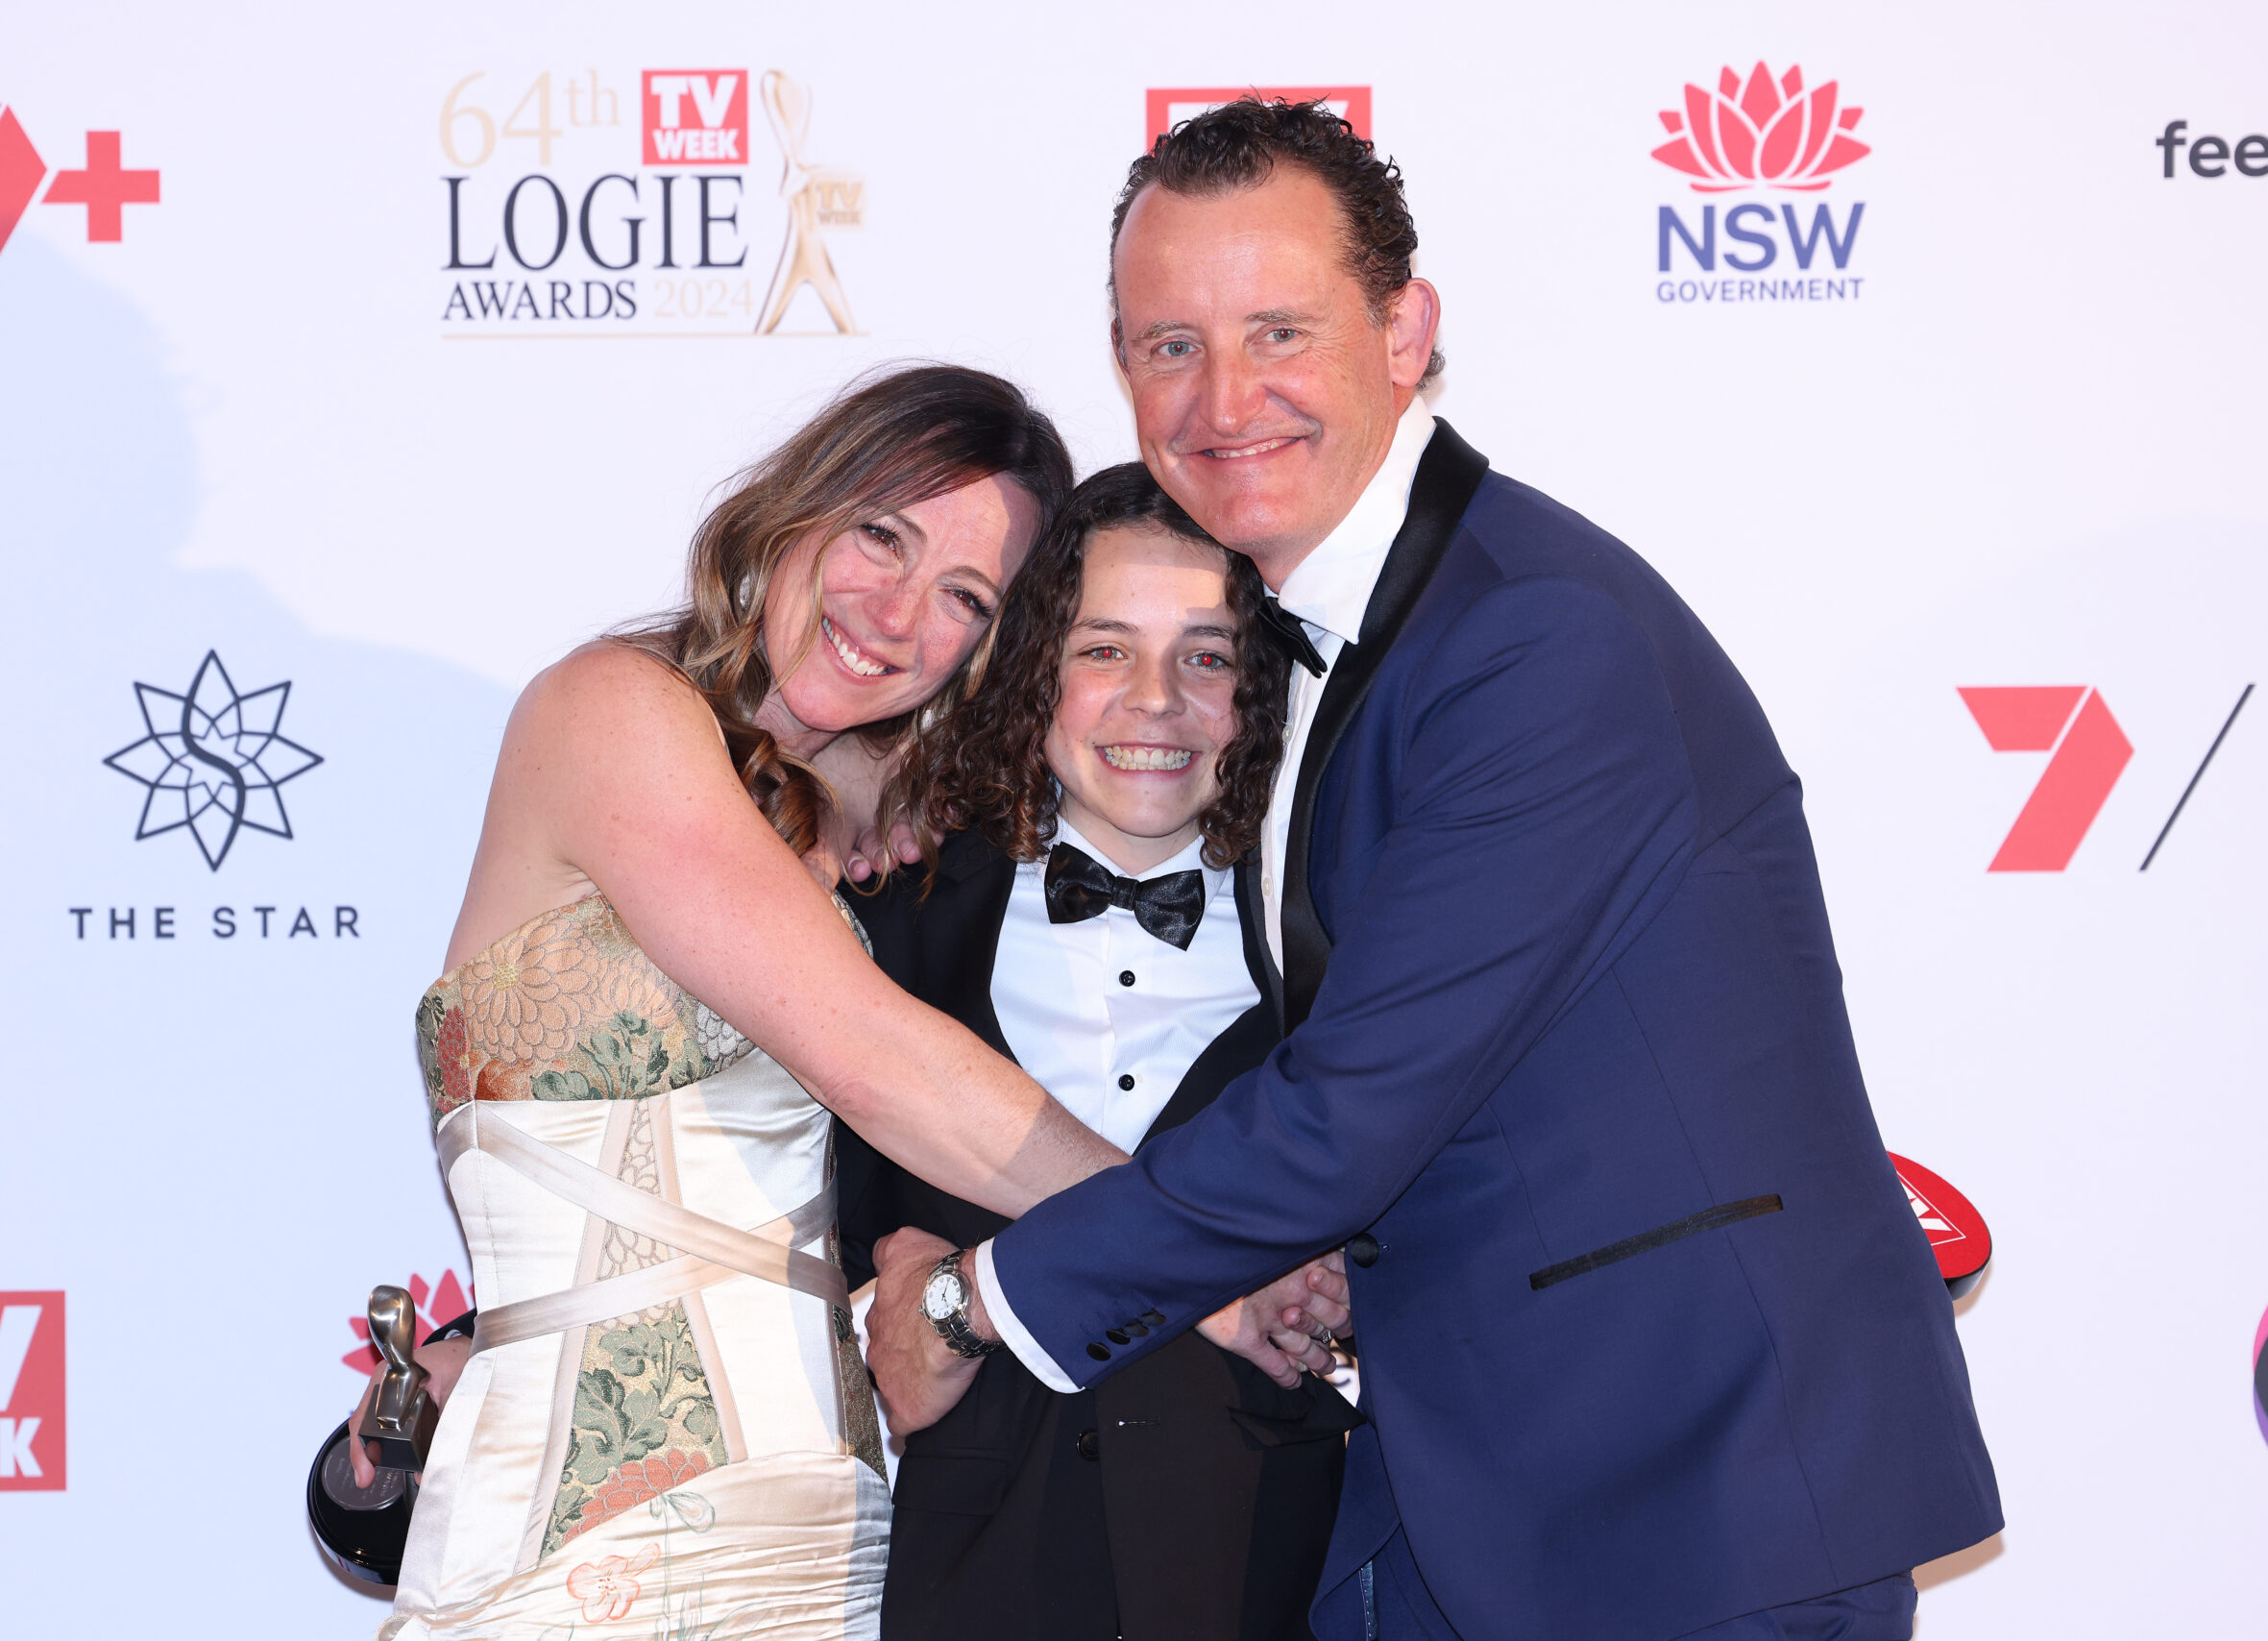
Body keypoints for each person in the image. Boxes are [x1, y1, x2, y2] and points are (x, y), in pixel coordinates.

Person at [866, 101, 2003, 1641]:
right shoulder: (1330, 644)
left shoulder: (1535, 636)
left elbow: (1352, 1110)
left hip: (1682, 1491)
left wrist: (975, 1301)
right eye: (1168, 345)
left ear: (1407, 331)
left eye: (1279, 329)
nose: (1224, 397)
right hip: (1460, 1491)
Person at [358, 364, 1342, 1641]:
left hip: (828, 1544)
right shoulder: (608, 711)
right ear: (800, 510)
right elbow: (883, 1062)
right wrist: (1201, 1261)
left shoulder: (901, 830)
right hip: (575, 1543)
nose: (896, 612)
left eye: (965, 598)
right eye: (883, 534)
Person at [839, 464, 1357, 1641]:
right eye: (1104, 649)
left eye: (1209, 656)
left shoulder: (1344, 942)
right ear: (1035, 672)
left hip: (1277, 1580)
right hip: (965, 1583)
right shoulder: (890, 916)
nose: (1157, 700)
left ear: (1261, 687)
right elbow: (799, 1233)